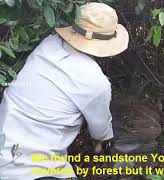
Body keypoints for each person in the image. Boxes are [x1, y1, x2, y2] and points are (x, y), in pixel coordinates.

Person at [0, 2, 129, 180]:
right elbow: (100, 133)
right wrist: (103, 144)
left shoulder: (48, 44)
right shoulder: (96, 82)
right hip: (36, 170)